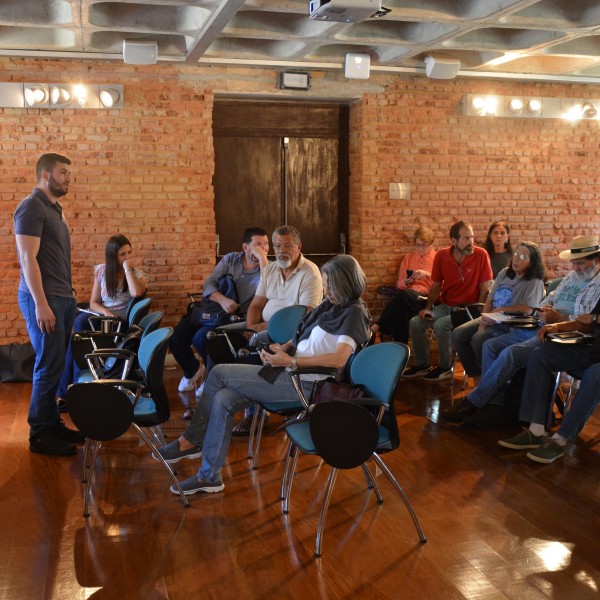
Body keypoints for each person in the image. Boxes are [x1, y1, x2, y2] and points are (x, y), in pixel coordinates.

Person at [155, 254, 371, 495]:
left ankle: (191, 441)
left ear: (346, 284)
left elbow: (339, 359)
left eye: (331, 285)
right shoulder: (332, 306)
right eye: (326, 283)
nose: (326, 289)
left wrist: (292, 360)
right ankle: (209, 476)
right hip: (289, 371)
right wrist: (285, 348)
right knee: (223, 398)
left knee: (218, 374)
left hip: (308, 385)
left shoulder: (354, 313)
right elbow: (306, 335)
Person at [443, 234, 600, 425]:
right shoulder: (571, 277)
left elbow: (588, 321)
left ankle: (474, 402)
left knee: (508, 352)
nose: (575, 267)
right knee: (490, 345)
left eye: (580, 263)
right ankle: (494, 404)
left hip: (564, 334)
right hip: (541, 324)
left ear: (596, 260)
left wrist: (559, 319)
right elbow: (550, 297)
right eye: (574, 263)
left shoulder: (596, 284)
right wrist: (544, 310)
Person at [14, 153, 83, 456]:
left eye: (69, 172)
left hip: (61, 296)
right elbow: (27, 258)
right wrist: (41, 304)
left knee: (56, 364)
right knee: (47, 364)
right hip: (44, 298)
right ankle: (40, 433)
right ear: (45, 175)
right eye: (63, 172)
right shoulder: (31, 207)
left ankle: (52, 423)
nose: (68, 178)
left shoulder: (55, 208)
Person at [170, 227, 269, 395]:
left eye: (266, 244)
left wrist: (262, 259)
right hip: (212, 309)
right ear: (245, 247)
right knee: (175, 337)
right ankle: (193, 370)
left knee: (202, 339)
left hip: (235, 318)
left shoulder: (268, 269)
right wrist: (222, 300)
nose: (264, 248)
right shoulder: (231, 259)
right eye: (258, 244)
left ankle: (213, 376)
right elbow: (209, 284)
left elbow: (269, 285)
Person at [498, 312, 600, 464]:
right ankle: (536, 430)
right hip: (593, 352)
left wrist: (594, 318)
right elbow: (586, 323)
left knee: (594, 375)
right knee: (541, 355)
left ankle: (561, 439)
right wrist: (557, 326)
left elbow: (593, 319)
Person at [56, 234, 148, 401]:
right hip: (103, 317)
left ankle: (67, 392)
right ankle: (70, 389)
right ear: (112, 255)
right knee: (78, 332)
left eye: (129, 253)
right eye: (123, 254)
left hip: (119, 323)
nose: (127, 257)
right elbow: (93, 303)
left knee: (77, 339)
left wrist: (127, 268)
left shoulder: (136, 274)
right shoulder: (101, 271)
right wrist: (105, 312)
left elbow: (136, 293)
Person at [405, 221, 493, 382]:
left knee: (441, 324)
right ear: (454, 241)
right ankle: (422, 365)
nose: (471, 242)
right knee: (416, 323)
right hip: (447, 306)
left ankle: (445, 367)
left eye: (472, 237)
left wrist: (477, 312)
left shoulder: (481, 255)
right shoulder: (442, 256)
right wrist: (428, 308)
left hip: (468, 309)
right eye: (466, 238)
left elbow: (485, 289)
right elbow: (436, 286)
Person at [451, 241, 546, 379]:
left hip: (512, 323)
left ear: (532, 263)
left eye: (523, 257)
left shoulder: (534, 281)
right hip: (494, 316)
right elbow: (489, 300)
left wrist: (500, 310)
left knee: (479, 338)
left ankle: (488, 378)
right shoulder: (504, 273)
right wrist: (484, 320)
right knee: (458, 334)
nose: (517, 258)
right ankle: (477, 375)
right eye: (516, 253)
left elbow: (526, 308)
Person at [245, 225, 323, 335]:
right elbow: (256, 306)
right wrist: (250, 329)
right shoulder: (269, 270)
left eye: (288, 246)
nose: (282, 251)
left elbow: (306, 315)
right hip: (262, 329)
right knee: (222, 337)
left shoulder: (310, 273)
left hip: (291, 333)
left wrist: (263, 327)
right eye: (277, 246)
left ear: (299, 247)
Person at [371, 227, 436, 343]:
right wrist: (406, 281)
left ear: (431, 244)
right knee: (402, 312)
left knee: (403, 297)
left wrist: (426, 274)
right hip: (409, 298)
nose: (420, 248)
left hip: (427, 298)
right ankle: (401, 351)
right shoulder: (408, 258)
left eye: (424, 245)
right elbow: (399, 284)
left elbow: (443, 283)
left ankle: (378, 327)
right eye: (417, 245)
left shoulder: (437, 259)